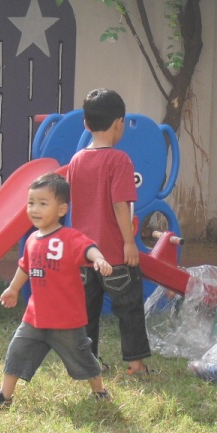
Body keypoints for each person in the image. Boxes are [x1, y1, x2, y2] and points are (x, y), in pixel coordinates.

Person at [0, 173, 113, 406]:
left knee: (83, 357)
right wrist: (13, 289)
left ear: (62, 210)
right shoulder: (32, 239)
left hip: (66, 320)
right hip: (35, 317)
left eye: (43, 204)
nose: (35, 209)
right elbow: (25, 267)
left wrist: (99, 259)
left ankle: (99, 392)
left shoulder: (69, 237)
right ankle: (4, 396)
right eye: (31, 203)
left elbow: (88, 248)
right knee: (17, 351)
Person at [66, 88, 154, 376]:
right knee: (128, 308)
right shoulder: (119, 161)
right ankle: (135, 365)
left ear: (86, 125)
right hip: (114, 253)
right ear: (120, 123)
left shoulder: (77, 159)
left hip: (83, 255)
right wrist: (129, 243)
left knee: (85, 313)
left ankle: (87, 362)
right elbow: (120, 204)